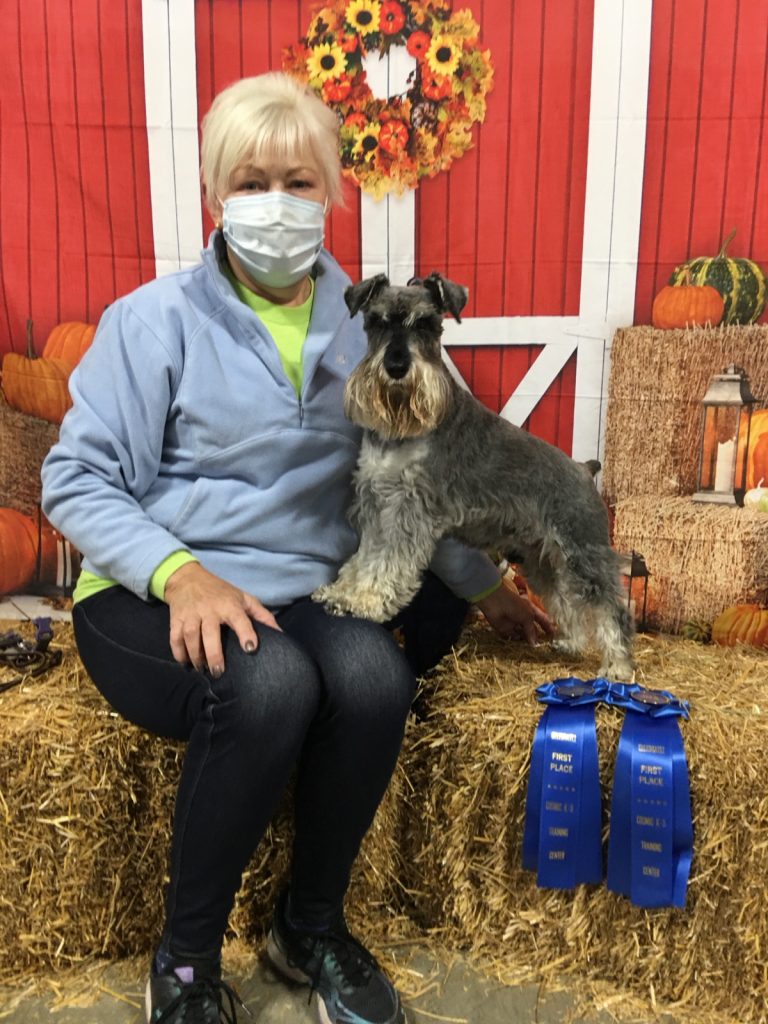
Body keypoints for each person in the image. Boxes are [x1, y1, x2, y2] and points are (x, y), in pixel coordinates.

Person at [41, 72, 551, 1024]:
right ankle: (186, 960)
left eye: (298, 182)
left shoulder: (374, 327)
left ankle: (307, 929)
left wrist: (485, 587)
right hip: (150, 590)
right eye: (251, 181)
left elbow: (424, 473)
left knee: (375, 681)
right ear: (215, 195)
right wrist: (179, 574)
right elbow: (74, 480)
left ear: (332, 193)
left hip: (302, 587)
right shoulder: (150, 323)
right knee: (269, 684)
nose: (275, 203)